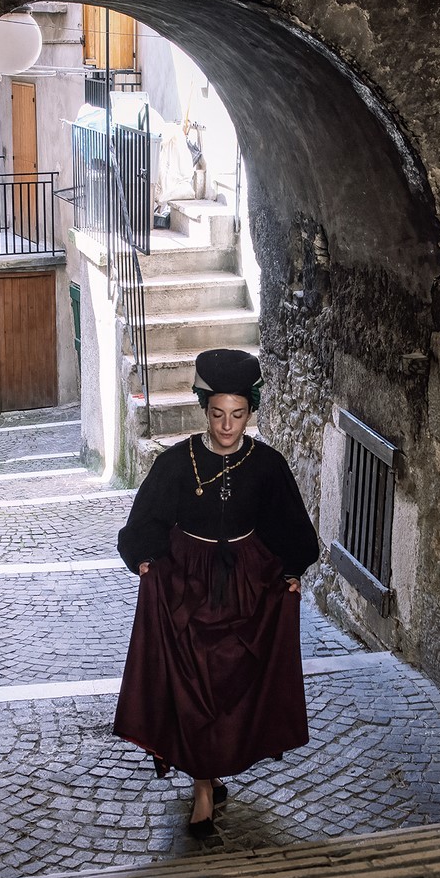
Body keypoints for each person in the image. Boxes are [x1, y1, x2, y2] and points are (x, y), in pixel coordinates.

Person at [113, 349, 320, 838]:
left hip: (247, 590)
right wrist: (145, 560)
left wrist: (291, 571)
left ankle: (217, 764)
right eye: (218, 414)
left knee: (231, 689)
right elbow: (145, 520)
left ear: (251, 411)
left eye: (239, 415)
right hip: (187, 590)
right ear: (204, 408)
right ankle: (203, 788)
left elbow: (290, 524)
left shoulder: (267, 465)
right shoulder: (176, 463)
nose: (228, 426)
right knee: (193, 691)